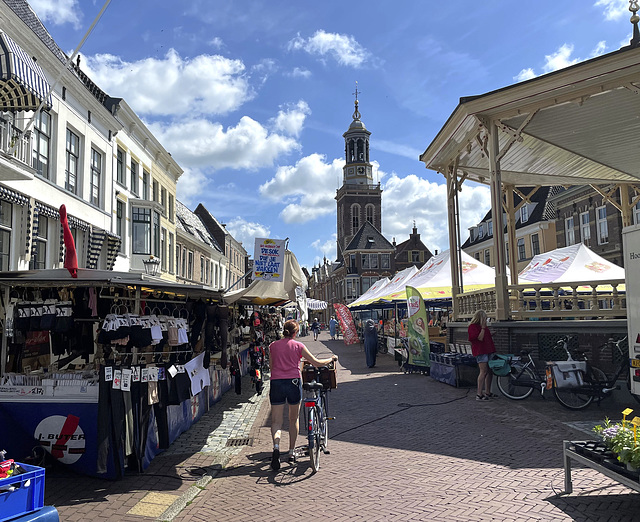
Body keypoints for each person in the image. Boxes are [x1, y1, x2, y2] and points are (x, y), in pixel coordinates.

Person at [268, 319, 337, 471]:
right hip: (293, 382)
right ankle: (291, 452)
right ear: (296, 332)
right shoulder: (299, 346)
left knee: (276, 421)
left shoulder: (272, 346)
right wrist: (331, 359)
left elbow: (272, 367)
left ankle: (276, 448)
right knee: (293, 419)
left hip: (276, 382)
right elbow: (316, 362)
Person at [468, 310, 497, 401]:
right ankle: (479, 393)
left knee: (489, 371)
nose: (486, 320)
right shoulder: (473, 327)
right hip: (481, 351)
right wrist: (483, 328)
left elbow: (484, 337)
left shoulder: (483, 327)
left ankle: (487, 391)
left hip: (488, 350)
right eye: (484, 318)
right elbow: (479, 338)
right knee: (483, 371)